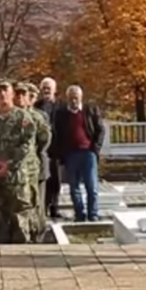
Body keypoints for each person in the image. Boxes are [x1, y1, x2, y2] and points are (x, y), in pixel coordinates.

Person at [0, 79, 49, 244]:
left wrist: (9, 164)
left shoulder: (22, 116)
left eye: (5, 90)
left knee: (20, 215)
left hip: (17, 176)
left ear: (11, 93)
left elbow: (29, 143)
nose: (2, 94)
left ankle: (22, 253)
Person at [53, 86, 105, 222]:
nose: (73, 100)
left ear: (81, 97)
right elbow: (57, 134)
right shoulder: (61, 114)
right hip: (70, 154)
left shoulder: (90, 110)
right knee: (73, 187)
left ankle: (93, 214)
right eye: (71, 97)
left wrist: (95, 149)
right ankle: (79, 214)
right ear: (67, 98)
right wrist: (61, 154)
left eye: (76, 97)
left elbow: (100, 130)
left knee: (91, 186)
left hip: (88, 153)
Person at [15, 83, 53, 224]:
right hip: (17, 170)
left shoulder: (38, 116)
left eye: (28, 95)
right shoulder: (11, 115)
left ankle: (38, 234)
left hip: (36, 166)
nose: (23, 98)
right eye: (18, 95)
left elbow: (44, 140)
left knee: (37, 204)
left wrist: (32, 153)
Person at [36, 77, 62, 218]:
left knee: (56, 180)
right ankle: (43, 207)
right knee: (44, 178)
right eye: (44, 87)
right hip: (42, 150)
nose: (46, 90)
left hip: (56, 149)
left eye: (49, 88)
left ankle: (55, 206)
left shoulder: (60, 106)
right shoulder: (37, 106)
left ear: (54, 90)